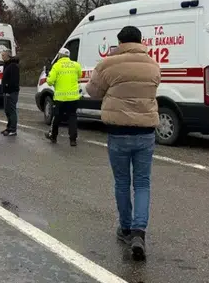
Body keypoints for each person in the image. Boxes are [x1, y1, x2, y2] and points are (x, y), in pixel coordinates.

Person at [86, 26, 160, 262]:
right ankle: (139, 232)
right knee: (142, 183)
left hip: (118, 131)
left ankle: (125, 228)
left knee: (122, 182)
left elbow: (92, 91)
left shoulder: (108, 64)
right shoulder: (153, 65)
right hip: (146, 131)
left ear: (120, 42)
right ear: (140, 41)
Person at [44, 47, 82, 146]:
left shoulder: (56, 66)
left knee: (56, 117)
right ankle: (73, 140)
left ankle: (53, 136)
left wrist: (49, 77)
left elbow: (50, 81)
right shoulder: (76, 65)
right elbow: (80, 75)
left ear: (60, 56)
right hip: (73, 97)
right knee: (72, 117)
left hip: (60, 98)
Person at [0, 48, 20, 136]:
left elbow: (14, 80)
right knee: (7, 110)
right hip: (6, 91)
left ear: (8, 56)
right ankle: (9, 127)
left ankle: (13, 129)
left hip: (11, 92)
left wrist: (8, 89)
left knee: (11, 110)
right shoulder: (6, 65)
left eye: (3, 55)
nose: (2, 57)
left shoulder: (13, 66)